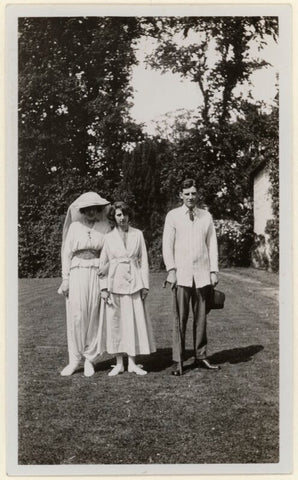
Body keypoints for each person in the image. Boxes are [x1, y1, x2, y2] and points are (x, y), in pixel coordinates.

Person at [162, 178, 220, 376]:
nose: (190, 197)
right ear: (180, 195)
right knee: (180, 319)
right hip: (182, 275)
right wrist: (171, 270)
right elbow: (167, 245)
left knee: (201, 318)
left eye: (193, 193)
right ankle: (178, 360)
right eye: (187, 194)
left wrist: (213, 271)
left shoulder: (206, 216)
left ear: (198, 194)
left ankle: (201, 356)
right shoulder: (173, 216)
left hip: (202, 274)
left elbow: (212, 244)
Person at [97, 201, 156, 376]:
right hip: (114, 283)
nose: (122, 218)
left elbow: (144, 261)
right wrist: (103, 288)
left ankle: (132, 363)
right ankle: (118, 363)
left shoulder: (138, 235)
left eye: (125, 214)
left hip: (134, 283)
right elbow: (103, 263)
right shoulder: (108, 238)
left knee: (133, 322)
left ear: (129, 215)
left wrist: (145, 285)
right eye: (119, 215)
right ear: (114, 218)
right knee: (116, 323)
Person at [58, 191, 110, 377]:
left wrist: (105, 275)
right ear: (82, 210)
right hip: (77, 272)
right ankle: (74, 360)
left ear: (98, 210)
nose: (90, 212)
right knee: (77, 316)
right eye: (87, 209)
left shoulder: (105, 226)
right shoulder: (74, 227)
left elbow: (108, 252)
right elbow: (66, 254)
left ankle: (90, 360)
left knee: (94, 315)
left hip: (96, 273)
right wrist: (66, 279)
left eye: (94, 209)